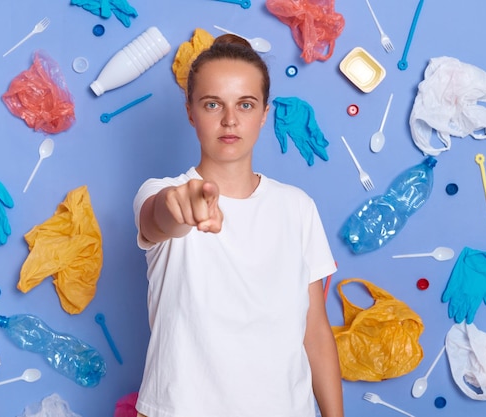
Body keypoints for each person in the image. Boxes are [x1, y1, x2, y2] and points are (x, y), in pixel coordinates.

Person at [133, 34, 344, 417]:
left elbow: (314, 328)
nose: (230, 120)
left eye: (245, 105)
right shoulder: (163, 192)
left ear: (264, 113)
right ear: (191, 112)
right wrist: (181, 208)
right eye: (213, 104)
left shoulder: (297, 206)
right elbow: (159, 218)